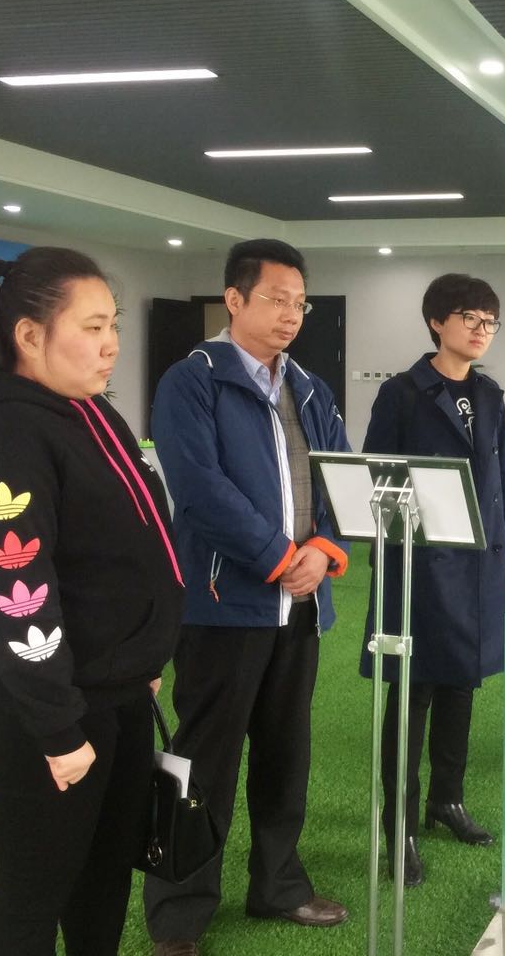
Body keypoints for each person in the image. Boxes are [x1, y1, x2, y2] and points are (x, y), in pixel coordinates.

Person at [0, 247, 184, 955]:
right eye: (92, 327)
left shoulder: (88, 412)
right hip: (51, 712)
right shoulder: (8, 432)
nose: (111, 344)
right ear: (29, 335)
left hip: (115, 692)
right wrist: (57, 728)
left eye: (114, 324)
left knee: (102, 884)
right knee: (32, 897)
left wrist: (140, 657)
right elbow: (18, 590)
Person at [143, 239, 352, 955]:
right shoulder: (192, 381)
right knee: (205, 760)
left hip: (301, 607)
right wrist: (278, 557)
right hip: (221, 605)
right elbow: (199, 489)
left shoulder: (311, 388)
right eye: (276, 299)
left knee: (286, 755)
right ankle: (179, 913)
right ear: (234, 300)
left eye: (300, 304)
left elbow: (339, 477)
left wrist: (322, 551)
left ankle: (279, 886)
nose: (291, 314)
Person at [359, 273, 505, 887]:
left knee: (463, 683)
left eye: (490, 322)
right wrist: (389, 553)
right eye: (469, 319)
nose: (481, 331)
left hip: (479, 563)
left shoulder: (490, 393)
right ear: (436, 322)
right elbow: (378, 477)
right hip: (420, 565)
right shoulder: (402, 393)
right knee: (414, 692)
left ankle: (446, 800)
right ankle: (398, 823)